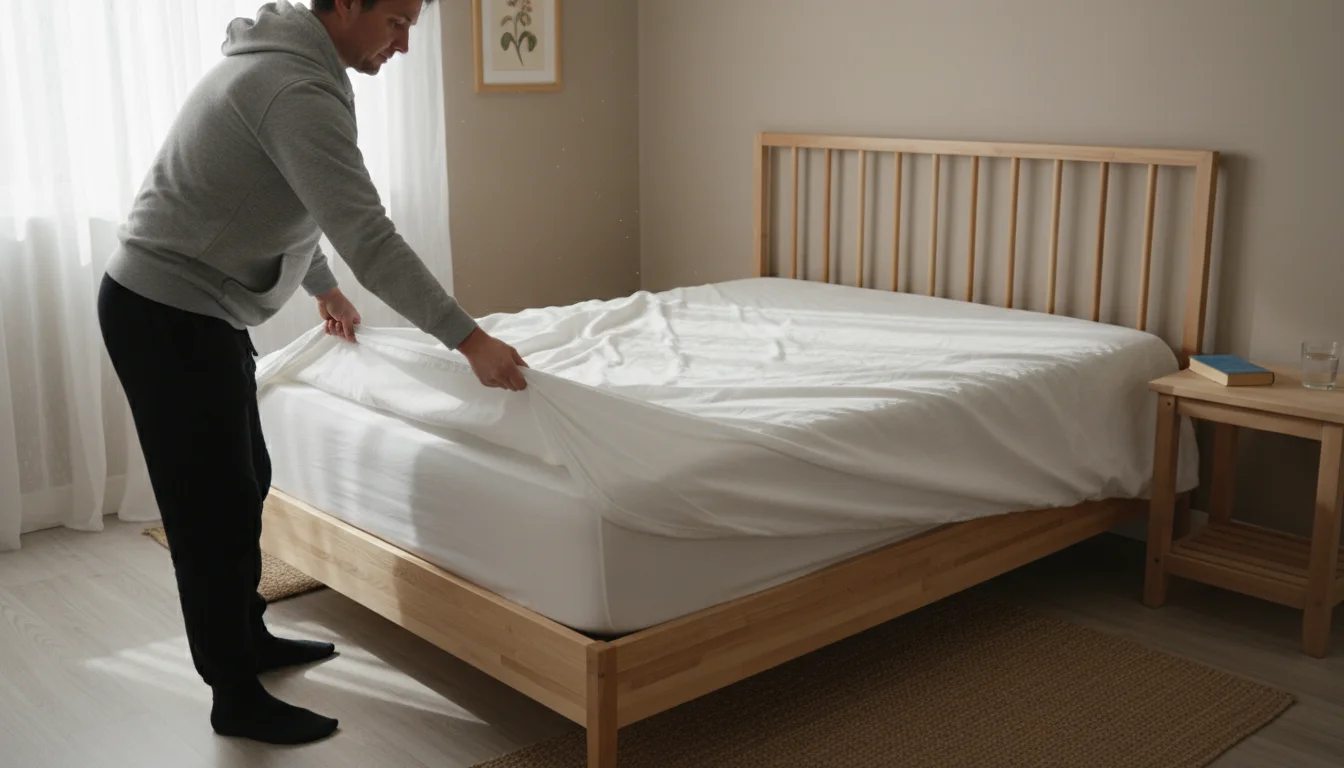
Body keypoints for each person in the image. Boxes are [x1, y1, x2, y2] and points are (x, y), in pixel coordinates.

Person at [97, 0, 525, 746]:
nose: (405, 42)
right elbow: (370, 235)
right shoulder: (293, 87)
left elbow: (283, 196)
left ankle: (248, 638)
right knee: (210, 513)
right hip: (166, 311)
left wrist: (320, 284)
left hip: (194, 307)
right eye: (396, 20)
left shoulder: (299, 69)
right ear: (347, 6)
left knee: (245, 480)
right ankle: (234, 693)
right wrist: (469, 339)